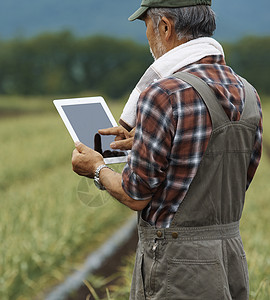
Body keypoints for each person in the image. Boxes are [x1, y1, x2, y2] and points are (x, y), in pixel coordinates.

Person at [72, 0, 263, 299]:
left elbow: (136, 194)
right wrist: (151, 142)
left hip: (177, 264)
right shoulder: (247, 91)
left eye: (147, 25)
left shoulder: (163, 93)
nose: (148, 36)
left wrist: (97, 168)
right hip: (230, 258)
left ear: (165, 26)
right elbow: (241, 172)